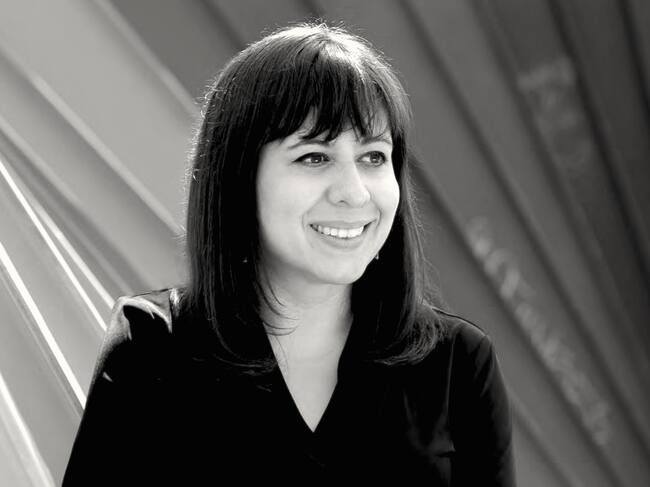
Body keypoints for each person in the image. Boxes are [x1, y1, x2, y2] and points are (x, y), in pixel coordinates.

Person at [62, 22, 514, 486]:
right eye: (314, 157)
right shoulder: (152, 347)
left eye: (374, 157)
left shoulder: (460, 363)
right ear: (238, 177)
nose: (355, 192)